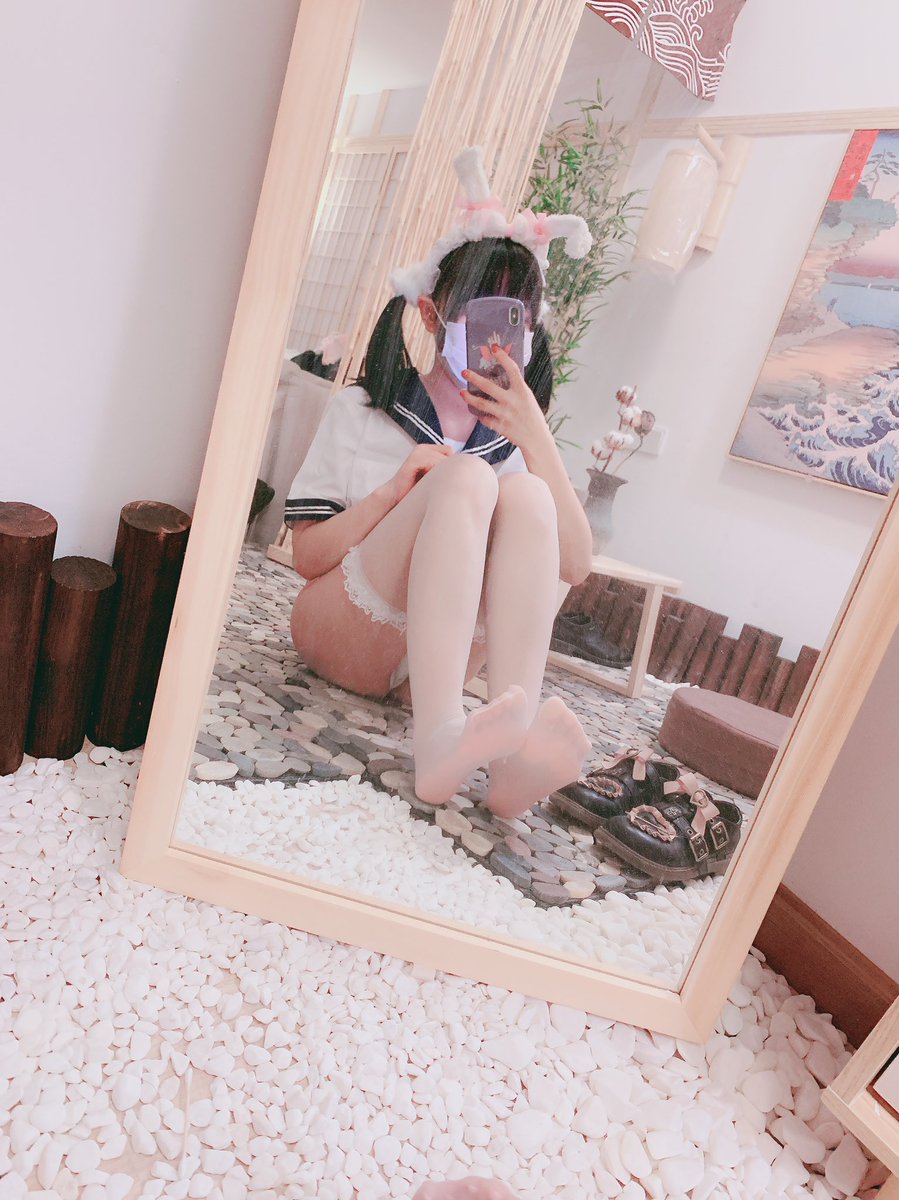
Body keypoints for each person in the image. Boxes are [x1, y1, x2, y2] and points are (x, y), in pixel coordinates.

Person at [285, 148, 594, 818]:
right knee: (466, 479)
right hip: (341, 633)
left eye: (516, 321)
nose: (498, 343)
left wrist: (534, 435)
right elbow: (305, 557)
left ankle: (509, 765)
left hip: (428, 675)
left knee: (525, 494)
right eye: (483, 316)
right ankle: (438, 744)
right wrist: (396, 491)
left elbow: (574, 565)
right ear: (431, 316)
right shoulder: (363, 410)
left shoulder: (516, 446)